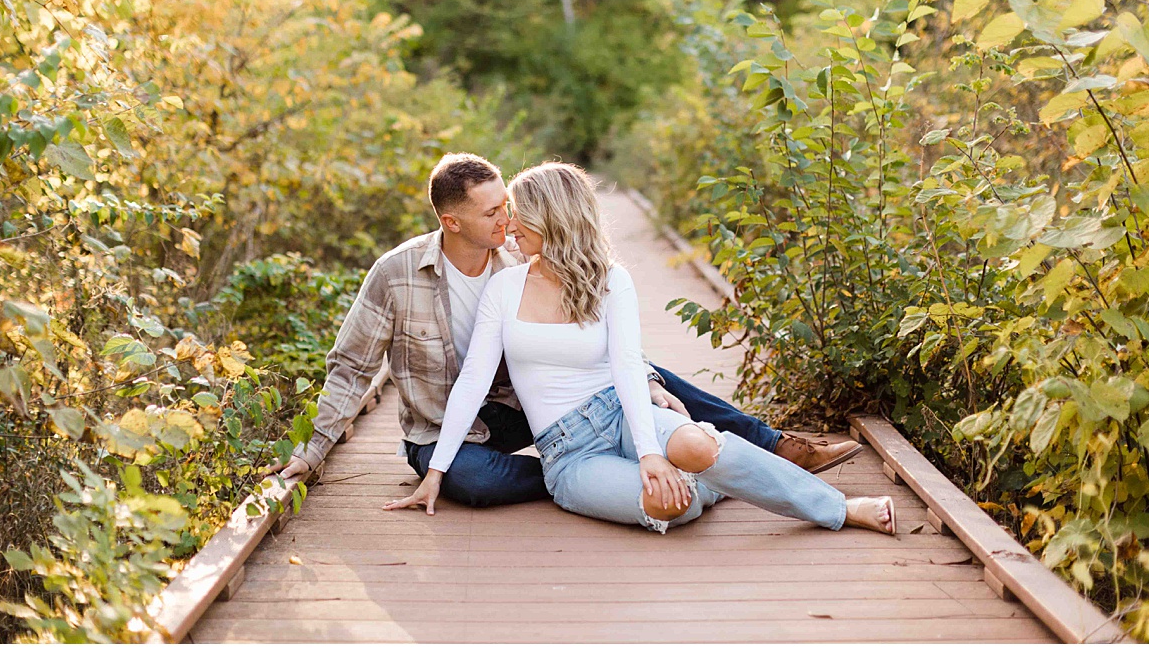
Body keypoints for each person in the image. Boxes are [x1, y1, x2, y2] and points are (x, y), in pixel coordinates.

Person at [270, 153, 861, 507]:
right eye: (492, 213)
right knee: (474, 488)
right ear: (452, 222)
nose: (510, 218)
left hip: (540, 408)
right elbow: (350, 368)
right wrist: (312, 451)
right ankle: (593, 479)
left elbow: (603, 349)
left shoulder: (523, 261)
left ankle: (768, 445)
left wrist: (646, 391)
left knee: (640, 363)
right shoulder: (397, 275)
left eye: (509, 204)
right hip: (447, 425)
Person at [384, 162, 894, 536]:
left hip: (619, 412)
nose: (508, 226)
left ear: (554, 221)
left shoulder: (611, 280)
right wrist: (436, 473)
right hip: (568, 453)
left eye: (520, 215)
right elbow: (473, 380)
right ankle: (720, 479)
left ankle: (837, 508)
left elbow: (628, 367)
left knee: (692, 448)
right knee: (672, 502)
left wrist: (650, 451)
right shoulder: (504, 285)